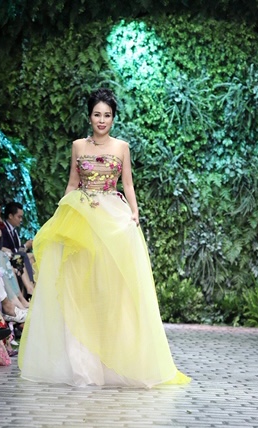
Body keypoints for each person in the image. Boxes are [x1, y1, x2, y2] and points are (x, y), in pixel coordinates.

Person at [19, 88, 190, 387]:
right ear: (89, 117)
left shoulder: (122, 147)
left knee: (110, 289)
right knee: (78, 287)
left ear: (113, 118)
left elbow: (128, 184)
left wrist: (134, 213)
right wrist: (61, 215)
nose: (102, 120)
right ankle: (83, 367)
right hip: (82, 215)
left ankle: (114, 361)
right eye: (97, 114)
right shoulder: (78, 146)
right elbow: (72, 183)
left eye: (107, 115)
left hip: (112, 215)